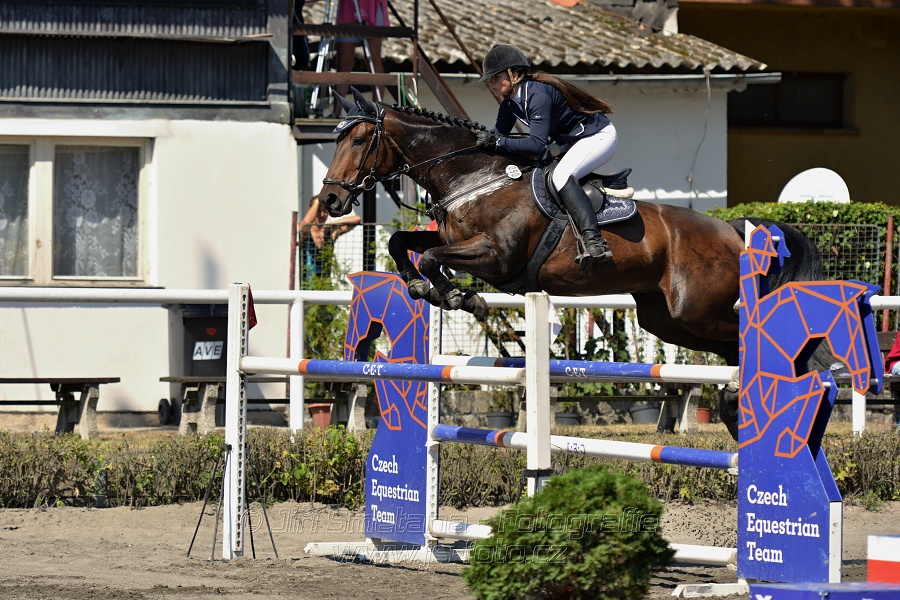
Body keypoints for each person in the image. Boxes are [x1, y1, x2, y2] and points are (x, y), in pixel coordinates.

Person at [476, 44, 618, 266]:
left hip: (597, 137)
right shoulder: (510, 105)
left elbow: (536, 146)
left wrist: (498, 142)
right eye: (489, 79)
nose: (490, 83)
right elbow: (497, 137)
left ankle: (595, 241)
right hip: (571, 143)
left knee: (561, 176)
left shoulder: (537, 95)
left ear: (515, 74)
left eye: (495, 77)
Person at [332, 0, 389, 117]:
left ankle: (376, 110)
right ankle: (336, 112)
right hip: (348, 8)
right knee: (343, 64)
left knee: (373, 61)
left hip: (372, 7)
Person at [298, 195, 361, 286]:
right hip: (308, 285)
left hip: (326, 284)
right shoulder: (306, 230)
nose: (323, 215)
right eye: (319, 211)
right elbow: (307, 221)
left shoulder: (331, 231)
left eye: (325, 211)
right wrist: (317, 201)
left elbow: (357, 219)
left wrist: (331, 223)